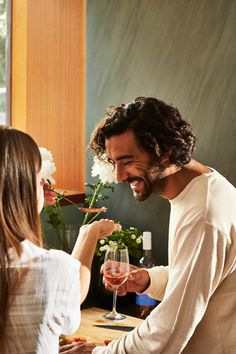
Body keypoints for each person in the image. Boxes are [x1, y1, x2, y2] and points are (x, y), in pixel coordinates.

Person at [61, 96, 236, 353]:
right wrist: (146, 279)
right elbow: (199, 278)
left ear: (163, 151)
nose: (120, 176)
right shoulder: (200, 189)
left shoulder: (203, 215)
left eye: (127, 161)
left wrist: (99, 353)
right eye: (114, 163)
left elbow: (171, 327)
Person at [0, 125, 120, 354]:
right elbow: (75, 294)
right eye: (38, 179)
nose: (44, 184)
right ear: (23, 189)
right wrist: (90, 233)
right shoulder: (51, 268)